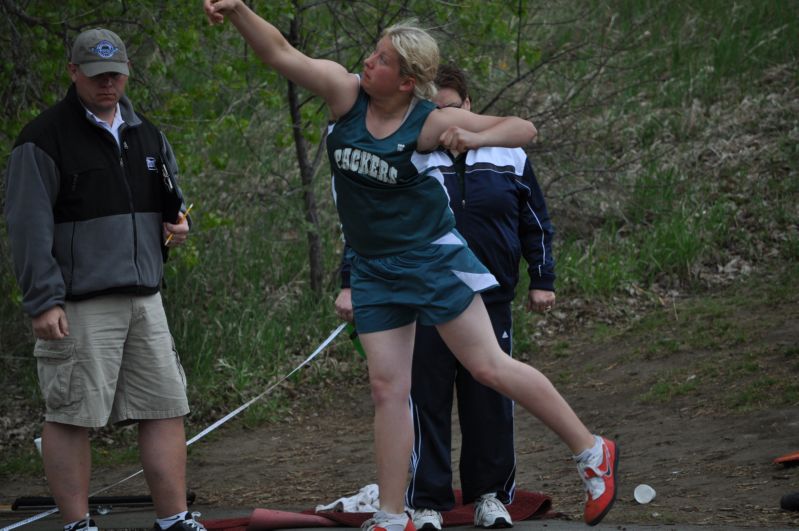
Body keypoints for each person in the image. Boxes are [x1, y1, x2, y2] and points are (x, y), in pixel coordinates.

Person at [202, 2, 618, 528]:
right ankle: (393, 514)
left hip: (431, 260)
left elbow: (523, 128)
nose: (367, 62)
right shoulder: (344, 94)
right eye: (372, 53)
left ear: (405, 81)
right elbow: (280, 53)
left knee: (487, 366)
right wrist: (239, 9)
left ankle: (590, 450)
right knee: (388, 389)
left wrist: (475, 136)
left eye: (381, 59)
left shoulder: (428, 121)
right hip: (375, 268)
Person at [337, 63, 557, 530]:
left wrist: (543, 278)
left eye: (451, 109)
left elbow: (534, 220)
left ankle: (491, 495)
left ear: (470, 106)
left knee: (489, 393)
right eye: (434, 111)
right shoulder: (414, 152)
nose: (443, 121)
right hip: (421, 296)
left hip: (488, 292)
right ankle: (427, 501)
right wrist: (349, 282)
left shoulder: (506, 155)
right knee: (422, 399)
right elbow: (365, 222)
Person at [4, 28, 204, 531]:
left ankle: (175, 519)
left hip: (145, 297)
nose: (107, 84)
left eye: (115, 74)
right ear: (74, 73)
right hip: (78, 303)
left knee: (164, 406)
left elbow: (172, 207)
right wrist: (43, 301)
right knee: (71, 414)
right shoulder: (42, 138)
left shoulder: (148, 134)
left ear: (127, 73)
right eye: (96, 75)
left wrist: (176, 229)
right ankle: (77, 524)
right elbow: (27, 228)